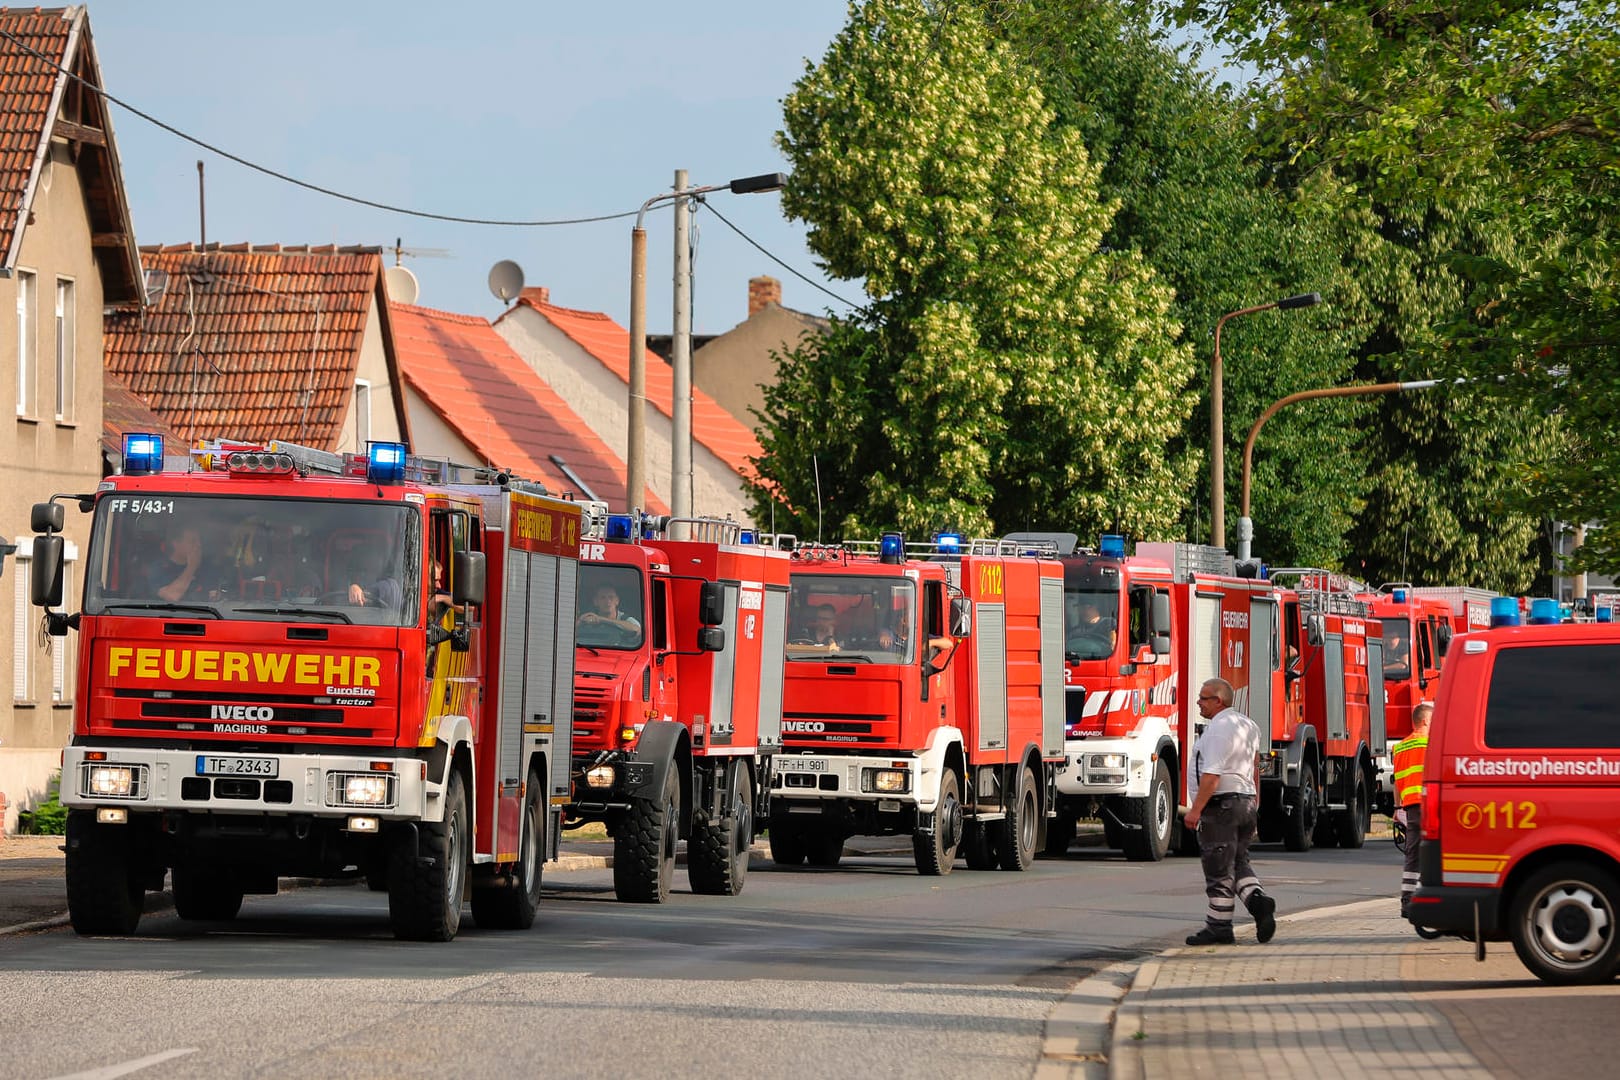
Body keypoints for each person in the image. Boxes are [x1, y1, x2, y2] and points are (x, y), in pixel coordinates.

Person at [1184, 678, 1277, 946]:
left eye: (1203, 698)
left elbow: (1212, 775)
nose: (1199, 702)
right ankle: (1258, 902)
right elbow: (1256, 764)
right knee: (1237, 861)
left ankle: (1219, 927)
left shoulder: (1218, 730)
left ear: (1219, 701)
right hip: (1245, 800)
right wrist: (1253, 802)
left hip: (1222, 805)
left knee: (1218, 868)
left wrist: (1195, 810)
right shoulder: (1249, 725)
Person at [1393, 701, 1433, 919]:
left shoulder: (1400, 747)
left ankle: (1407, 901)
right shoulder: (1429, 744)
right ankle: (1433, 897)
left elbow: (1397, 780)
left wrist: (1397, 808)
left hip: (1409, 807)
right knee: (1438, 850)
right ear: (1426, 720)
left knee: (1412, 854)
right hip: (1428, 805)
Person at [147, 523, 215, 602]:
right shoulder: (159, 568)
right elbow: (172, 596)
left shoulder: (207, 567)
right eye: (193, 541)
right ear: (176, 544)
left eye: (199, 541)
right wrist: (191, 567)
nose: (198, 545)